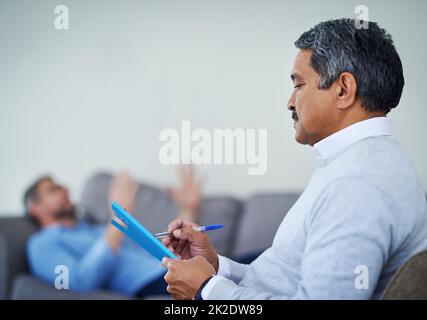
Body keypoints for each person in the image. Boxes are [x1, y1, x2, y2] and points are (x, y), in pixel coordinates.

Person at [160, 18, 427, 300]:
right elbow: (285, 279)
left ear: (343, 89)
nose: (290, 102)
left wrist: (206, 290)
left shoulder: (355, 185)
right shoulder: (364, 163)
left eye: (299, 85)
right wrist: (216, 268)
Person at [25, 166, 202, 298]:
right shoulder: (41, 243)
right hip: (156, 283)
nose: (65, 189)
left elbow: (159, 248)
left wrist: (188, 210)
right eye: (53, 189)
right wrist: (119, 219)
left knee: (227, 265)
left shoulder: (93, 229)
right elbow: (81, 282)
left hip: (180, 267)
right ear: (36, 208)